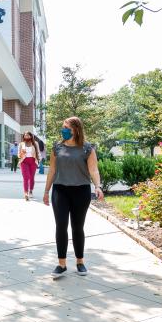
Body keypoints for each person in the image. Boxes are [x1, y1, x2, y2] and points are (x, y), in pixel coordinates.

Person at [43, 116, 104, 278]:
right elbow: (52, 170)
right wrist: (46, 191)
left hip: (81, 192)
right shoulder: (57, 147)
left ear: (76, 130)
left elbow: (94, 170)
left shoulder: (87, 149)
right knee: (61, 226)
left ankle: (80, 262)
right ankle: (61, 264)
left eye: (67, 128)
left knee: (78, 227)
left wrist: (97, 186)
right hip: (60, 191)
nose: (64, 130)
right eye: (63, 127)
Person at [19, 131, 40, 200]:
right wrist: (21, 154)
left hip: (33, 161)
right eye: (25, 135)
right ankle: (26, 193)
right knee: (26, 177)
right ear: (23, 136)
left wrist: (38, 160)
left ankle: (31, 190)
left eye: (28, 135)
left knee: (31, 177)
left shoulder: (35, 143)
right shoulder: (21, 144)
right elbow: (18, 154)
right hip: (24, 162)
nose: (27, 137)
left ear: (31, 136)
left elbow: (38, 152)